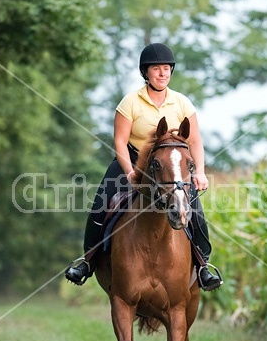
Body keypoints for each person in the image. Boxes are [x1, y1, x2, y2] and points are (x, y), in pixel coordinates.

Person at [65, 43, 223, 291]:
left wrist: (200, 171)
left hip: (171, 169)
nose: (162, 73)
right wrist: (129, 170)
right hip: (132, 160)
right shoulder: (130, 102)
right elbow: (119, 141)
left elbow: (195, 141)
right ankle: (87, 261)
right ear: (145, 73)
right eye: (156, 69)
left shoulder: (182, 103)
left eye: (166, 69)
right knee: (100, 207)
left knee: (196, 214)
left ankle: (203, 267)